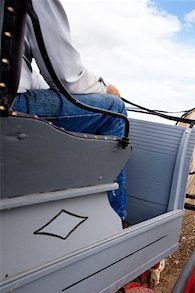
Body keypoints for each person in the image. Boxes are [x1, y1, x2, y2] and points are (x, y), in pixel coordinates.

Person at [11, 0, 128, 220]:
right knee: (116, 111)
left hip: (13, 95)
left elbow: (22, 70)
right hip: (9, 104)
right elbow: (65, 74)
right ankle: (115, 219)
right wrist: (105, 88)